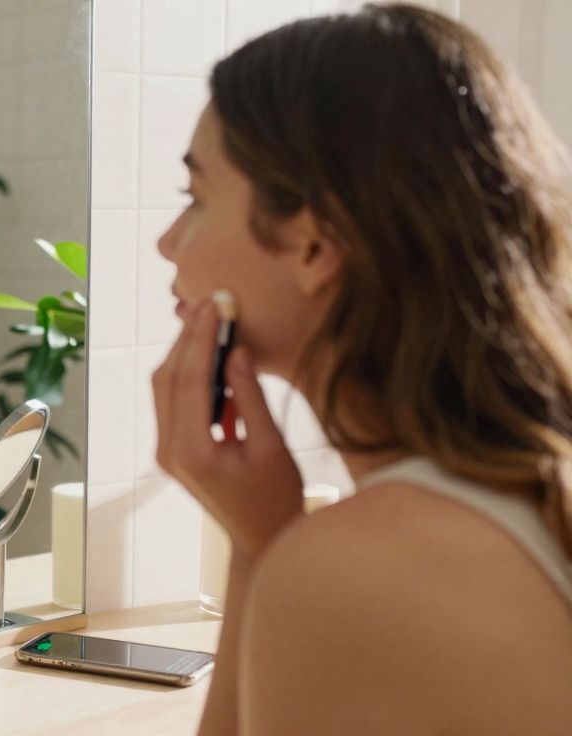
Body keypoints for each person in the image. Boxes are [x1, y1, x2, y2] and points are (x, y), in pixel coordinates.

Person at [152, 5, 572, 734]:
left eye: (195, 197)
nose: (167, 242)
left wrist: (270, 558)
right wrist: (259, 546)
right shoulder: (529, 493)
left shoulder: (359, 573)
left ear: (316, 246)